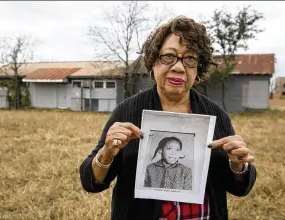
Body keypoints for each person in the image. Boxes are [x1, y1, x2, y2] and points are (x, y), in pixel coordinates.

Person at [80, 15, 256, 220]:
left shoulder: (215, 115)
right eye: (169, 56)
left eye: (190, 58)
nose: (179, 67)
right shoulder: (128, 111)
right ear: (153, 63)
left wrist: (238, 165)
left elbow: (238, 188)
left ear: (197, 70)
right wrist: (107, 152)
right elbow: (91, 182)